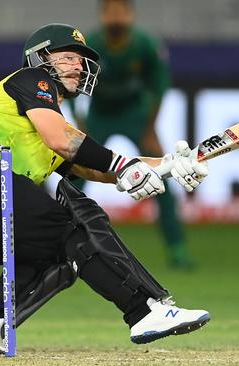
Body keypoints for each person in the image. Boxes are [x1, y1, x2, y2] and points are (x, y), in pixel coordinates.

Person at [0, 23, 210, 354]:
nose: (78, 65)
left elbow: (90, 167)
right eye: (67, 57)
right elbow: (64, 140)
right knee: (75, 224)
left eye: (81, 59)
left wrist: (169, 165)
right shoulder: (31, 81)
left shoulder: (42, 122)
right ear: (39, 58)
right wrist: (122, 165)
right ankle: (145, 310)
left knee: (61, 255)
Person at [74, 0, 193, 268]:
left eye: (121, 12)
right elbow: (74, 86)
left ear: (130, 15)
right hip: (99, 116)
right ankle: (55, 244)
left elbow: (159, 86)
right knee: (75, 177)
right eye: (110, 12)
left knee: (162, 177)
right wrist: (81, 124)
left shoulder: (145, 45)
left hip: (135, 115)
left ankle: (177, 249)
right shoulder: (90, 45)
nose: (116, 18)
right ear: (103, 16)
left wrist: (150, 129)